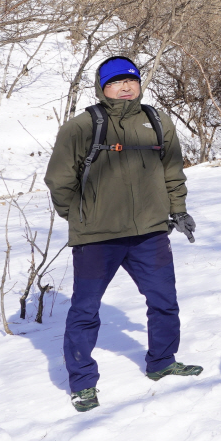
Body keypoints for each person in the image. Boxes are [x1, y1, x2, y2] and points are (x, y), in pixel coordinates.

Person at [44, 56, 201, 413]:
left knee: (164, 301)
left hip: (150, 232)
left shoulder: (157, 122)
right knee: (85, 310)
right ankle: (83, 383)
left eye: (131, 80)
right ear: (102, 88)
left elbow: (173, 172)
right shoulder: (81, 126)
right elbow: (59, 180)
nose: (125, 87)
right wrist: (82, 216)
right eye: (116, 82)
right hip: (97, 237)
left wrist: (178, 210)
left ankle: (162, 361)